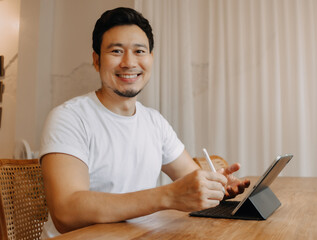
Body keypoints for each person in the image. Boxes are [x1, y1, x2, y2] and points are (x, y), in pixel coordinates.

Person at [40, 7, 250, 238]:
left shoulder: (154, 121)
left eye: (139, 51)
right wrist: (168, 196)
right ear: (96, 60)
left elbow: (188, 178)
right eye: (117, 51)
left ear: (151, 58)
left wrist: (215, 186)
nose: (129, 62)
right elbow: (66, 212)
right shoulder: (69, 118)